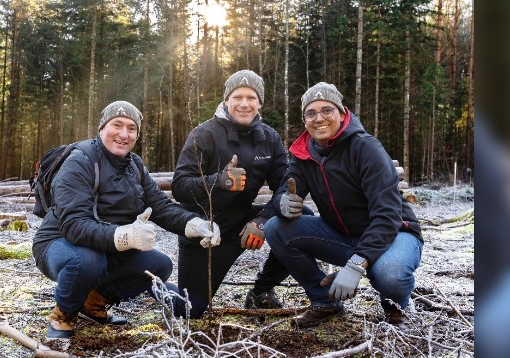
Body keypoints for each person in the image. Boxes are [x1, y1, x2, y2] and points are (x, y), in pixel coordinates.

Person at [32, 101, 221, 339]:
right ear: (102, 128)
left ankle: (92, 302)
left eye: (132, 128)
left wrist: (195, 225)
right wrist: (124, 236)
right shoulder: (80, 161)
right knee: (88, 261)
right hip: (58, 243)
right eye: (117, 125)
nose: (124, 134)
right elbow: (74, 226)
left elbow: (160, 207)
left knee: (159, 265)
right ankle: (63, 315)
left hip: (105, 246)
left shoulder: (135, 165)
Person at [264, 82, 423, 328]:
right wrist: (282, 202)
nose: (319, 119)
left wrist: (357, 264)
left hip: (394, 233)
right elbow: (286, 188)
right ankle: (325, 303)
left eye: (327, 110)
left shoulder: (365, 148)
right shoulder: (304, 154)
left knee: (389, 273)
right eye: (311, 113)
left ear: (341, 112)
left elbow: (388, 214)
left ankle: (396, 309)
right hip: (342, 236)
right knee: (276, 228)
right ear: (304, 119)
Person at [171, 70, 312, 318]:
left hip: (244, 225)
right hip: (205, 230)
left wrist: (264, 220)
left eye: (251, 97)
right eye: (237, 97)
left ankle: (261, 292)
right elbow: (180, 186)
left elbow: (284, 186)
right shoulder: (203, 134)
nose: (244, 104)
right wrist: (219, 181)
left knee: (302, 216)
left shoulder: (269, 138)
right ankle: (154, 286)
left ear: (260, 103)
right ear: (227, 100)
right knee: (189, 310)